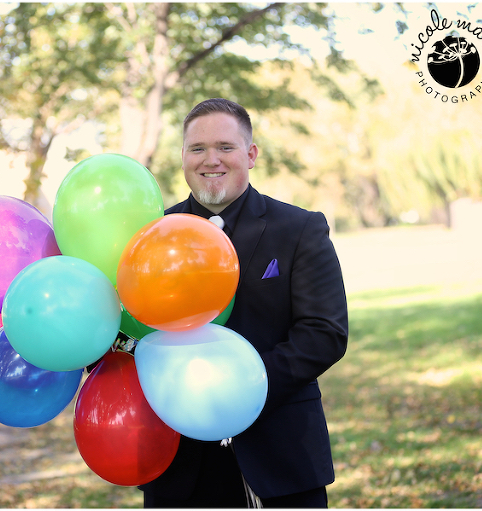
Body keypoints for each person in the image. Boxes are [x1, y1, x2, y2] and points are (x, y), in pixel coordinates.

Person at [138, 98, 348, 508]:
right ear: (183, 156)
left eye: (225, 147)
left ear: (250, 155)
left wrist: (236, 390)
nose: (210, 159)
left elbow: (324, 334)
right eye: (197, 149)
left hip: (280, 458)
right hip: (179, 465)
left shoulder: (300, 229)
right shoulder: (151, 238)